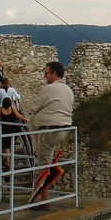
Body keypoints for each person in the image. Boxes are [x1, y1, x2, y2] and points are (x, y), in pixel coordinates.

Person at [30, 61, 74, 209]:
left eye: (46, 73)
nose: (45, 76)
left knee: (43, 164)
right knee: (47, 160)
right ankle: (43, 197)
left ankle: (44, 201)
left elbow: (34, 107)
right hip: (64, 129)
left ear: (54, 74)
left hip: (49, 131)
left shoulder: (49, 89)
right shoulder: (68, 89)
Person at [0, 97, 28, 170]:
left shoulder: (0, 110)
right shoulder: (12, 109)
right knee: (10, 145)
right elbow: (19, 116)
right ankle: (9, 161)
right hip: (13, 129)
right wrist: (27, 119)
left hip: (5, 129)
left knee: (6, 146)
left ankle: (7, 162)